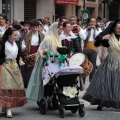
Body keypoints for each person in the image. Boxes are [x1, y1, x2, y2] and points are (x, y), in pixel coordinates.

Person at [82, 20, 120, 110]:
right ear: (114, 28)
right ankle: (101, 103)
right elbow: (96, 43)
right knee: (103, 84)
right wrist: (103, 39)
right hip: (110, 63)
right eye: (118, 28)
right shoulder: (109, 36)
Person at [26, 22, 62, 103]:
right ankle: (45, 97)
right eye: (59, 29)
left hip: (54, 62)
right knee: (45, 81)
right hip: (45, 62)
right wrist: (43, 55)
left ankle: (52, 98)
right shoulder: (48, 38)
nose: (61, 31)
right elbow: (40, 50)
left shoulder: (58, 38)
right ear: (55, 29)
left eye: (61, 29)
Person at [0, 27, 27, 118]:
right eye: (14, 35)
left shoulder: (17, 43)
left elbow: (19, 55)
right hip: (4, 66)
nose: (16, 37)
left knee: (15, 86)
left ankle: (6, 106)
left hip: (14, 67)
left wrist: (20, 60)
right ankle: (7, 108)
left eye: (17, 35)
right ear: (9, 35)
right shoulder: (3, 44)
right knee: (6, 86)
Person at [22, 19, 44, 87]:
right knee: (30, 71)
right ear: (31, 27)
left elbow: (44, 45)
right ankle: (29, 85)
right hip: (29, 54)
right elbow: (23, 44)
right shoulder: (27, 35)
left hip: (38, 54)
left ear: (39, 27)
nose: (35, 29)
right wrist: (24, 47)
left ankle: (37, 86)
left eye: (36, 27)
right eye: (33, 27)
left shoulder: (42, 35)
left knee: (38, 71)